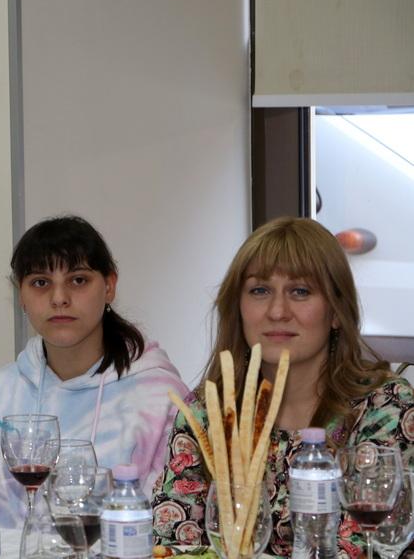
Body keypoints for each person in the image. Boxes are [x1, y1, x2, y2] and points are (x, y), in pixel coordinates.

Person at [151, 217, 414, 557]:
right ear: (238, 308)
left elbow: (365, 547)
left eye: (300, 291)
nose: (277, 311)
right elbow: (171, 542)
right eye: (260, 291)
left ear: (336, 311)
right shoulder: (208, 412)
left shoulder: (386, 407)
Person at [0, 215, 188, 527]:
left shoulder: (160, 399)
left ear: (109, 286)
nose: (59, 299)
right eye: (41, 283)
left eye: (78, 280)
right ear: (21, 295)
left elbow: (177, 523)